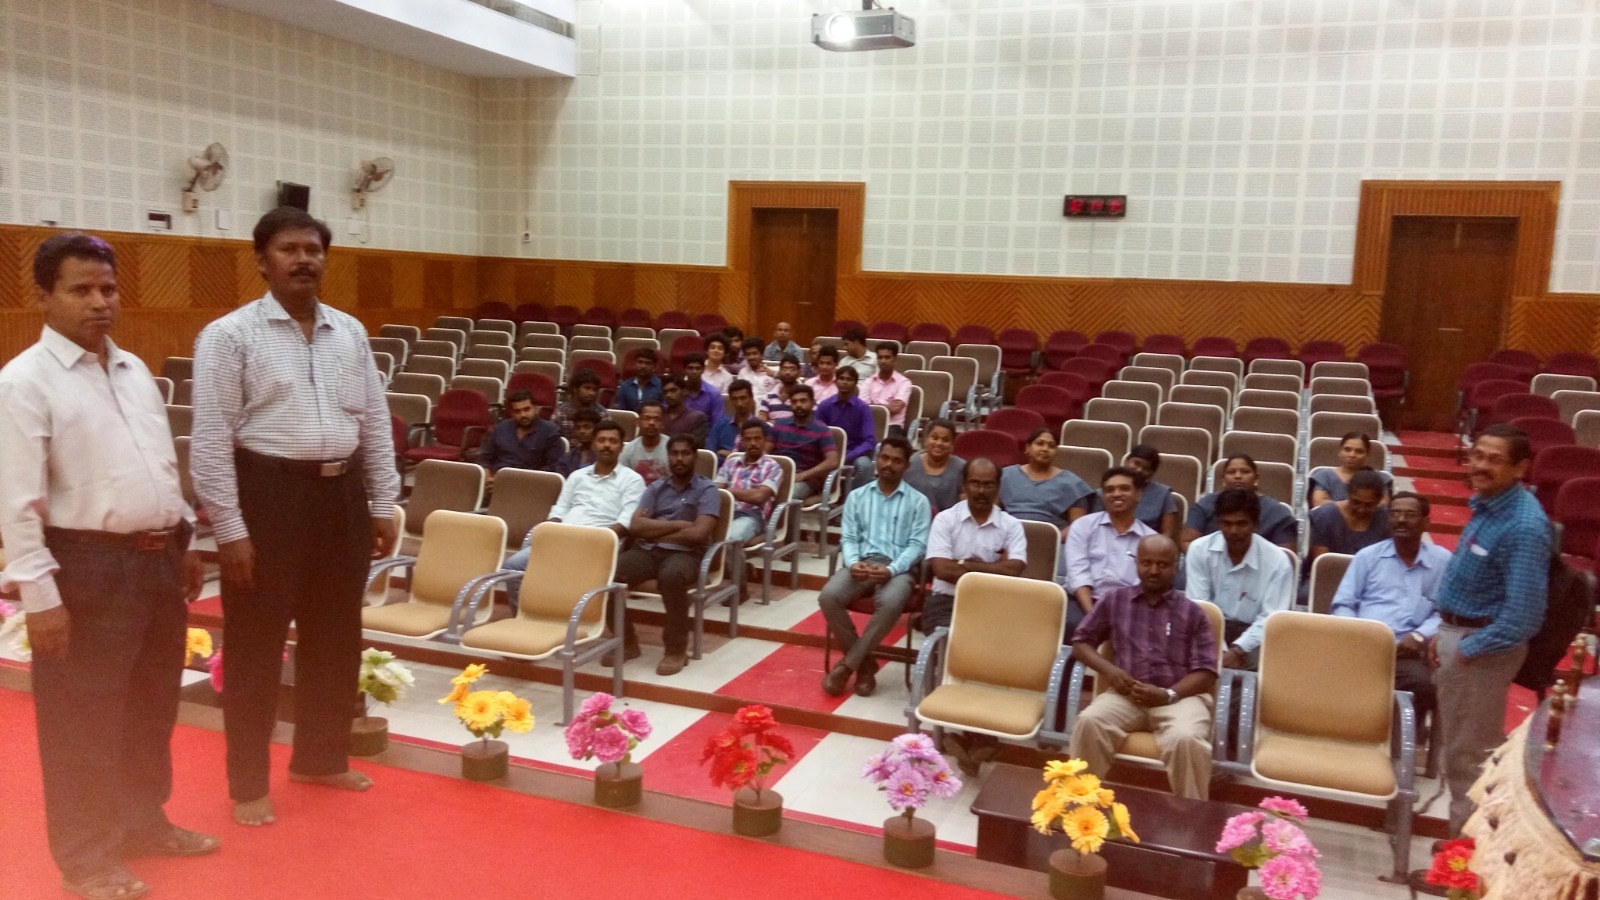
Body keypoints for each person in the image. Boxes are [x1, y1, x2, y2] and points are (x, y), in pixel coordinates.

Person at [0, 232, 217, 899]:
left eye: (108, 288)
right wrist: (41, 598)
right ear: (44, 296)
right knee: (82, 720)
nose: (100, 302)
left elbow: (160, 466)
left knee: (150, 707)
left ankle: (143, 821)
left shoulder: (132, 371)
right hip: (85, 569)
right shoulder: (23, 383)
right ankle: (86, 857)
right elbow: (16, 503)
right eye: (81, 290)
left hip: (156, 561)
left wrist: (183, 540)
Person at [192, 207, 401, 827]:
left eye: (313, 249)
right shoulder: (228, 336)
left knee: (336, 639)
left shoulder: (350, 332)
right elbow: (211, 443)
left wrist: (382, 501)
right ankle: (248, 784)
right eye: (289, 249)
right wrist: (230, 530)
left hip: (342, 498)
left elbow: (374, 422)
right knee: (256, 648)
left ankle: (319, 758)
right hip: (268, 498)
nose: (304, 259)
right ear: (262, 261)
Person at [1428, 424, 1550, 838]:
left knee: (1470, 758)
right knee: (1461, 750)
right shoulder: (1489, 505)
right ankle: (1464, 847)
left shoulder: (1523, 527)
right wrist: (1446, 632)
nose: (1480, 465)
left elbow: (1523, 617)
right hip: (1462, 636)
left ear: (1520, 468)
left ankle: (1465, 855)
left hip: (1481, 652)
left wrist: (1466, 648)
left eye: (1494, 459)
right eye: (1477, 455)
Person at [1070, 535, 1218, 800]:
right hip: (1127, 697)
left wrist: (1168, 694)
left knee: (1186, 738)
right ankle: (1081, 807)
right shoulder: (1115, 600)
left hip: (1179, 698)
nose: (1153, 570)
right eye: (1146, 563)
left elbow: (1206, 672)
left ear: (1176, 566)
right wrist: (1110, 670)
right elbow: (1081, 643)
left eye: (1162, 565)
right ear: (1136, 563)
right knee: (1089, 722)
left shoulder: (1193, 612)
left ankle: (1191, 816)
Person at [817, 437, 931, 698]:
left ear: (906, 466)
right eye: (885, 458)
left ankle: (847, 667)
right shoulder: (857, 496)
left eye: (896, 460)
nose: (889, 464)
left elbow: (917, 545)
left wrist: (892, 569)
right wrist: (853, 562)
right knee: (828, 597)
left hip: (899, 569)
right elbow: (848, 537)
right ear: (877, 460)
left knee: (891, 603)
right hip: (862, 563)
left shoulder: (918, 502)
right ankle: (865, 665)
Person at [1330, 492, 1449, 724]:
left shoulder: (1442, 561)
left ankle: (1401, 739)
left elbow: (1443, 612)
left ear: (1426, 523)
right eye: (1395, 514)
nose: (1401, 520)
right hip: (1362, 647)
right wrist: (1360, 633)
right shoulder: (1368, 557)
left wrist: (1419, 635)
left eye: (1410, 514)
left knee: (1424, 686)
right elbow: (1343, 604)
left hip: (1407, 654)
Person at [502, 420, 644, 605]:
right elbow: (560, 509)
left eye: (613, 441)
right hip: (562, 537)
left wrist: (588, 539)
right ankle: (525, 615)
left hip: (597, 544)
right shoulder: (577, 476)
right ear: (593, 444)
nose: (607, 445)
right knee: (513, 566)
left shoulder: (632, 480)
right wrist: (551, 528)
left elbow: (626, 521)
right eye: (601, 440)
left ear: (621, 447)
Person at [614, 435, 721, 676]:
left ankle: (676, 650)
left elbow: (699, 534)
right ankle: (627, 641)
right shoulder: (655, 488)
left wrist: (656, 532)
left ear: (695, 457)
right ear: (668, 457)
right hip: (649, 550)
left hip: (687, 554)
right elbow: (637, 526)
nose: (679, 458)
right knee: (609, 574)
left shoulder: (707, 490)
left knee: (672, 577)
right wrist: (680, 525)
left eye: (685, 453)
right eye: (674, 453)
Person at [1184, 488, 1293, 671]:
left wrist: (1238, 650)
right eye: (1227, 524)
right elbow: (1200, 607)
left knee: (1271, 665)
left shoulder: (1278, 561)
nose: (1233, 531)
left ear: (1255, 525)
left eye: (1241, 524)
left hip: (1256, 635)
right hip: (1207, 627)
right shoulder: (1199, 550)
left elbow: (1270, 618)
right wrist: (1220, 650)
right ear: (1218, 523)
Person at [924, 458, 1027, 632]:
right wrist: (996, 567)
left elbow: (1014, 570)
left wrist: (964, 563)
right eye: (975, 483)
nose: (981, 491)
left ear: (998, 487)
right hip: (946, 602)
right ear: (964, 485)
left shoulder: (1012, 525)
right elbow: (942, 570)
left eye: (988, 485)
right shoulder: (945, 520)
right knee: (956, 641)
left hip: (994, 604)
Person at [1064, 468, 1157, 629]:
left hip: (1129, 608)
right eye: (1109, 490)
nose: (1116, 494)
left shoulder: (1150, 540)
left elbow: (1144, 586)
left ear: (1138, 495)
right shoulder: (1082, 526)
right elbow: (1077, 573)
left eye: (1124, 488)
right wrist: (1093, 616)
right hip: (1081, 601)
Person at [1182, 454, 1298, 552]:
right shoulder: (1206, 504)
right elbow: (1187, 542)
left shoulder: (1277, 513)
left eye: (1245, 472)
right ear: (1223, 479)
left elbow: (1286, 555)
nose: (1238, 476)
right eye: (1231, 472)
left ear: (1256, 479)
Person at [1077, 445, 1179, 539]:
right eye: (1136, 463)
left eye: (1146, 468)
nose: (1139, 470)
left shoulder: (1163, 494)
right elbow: (1094, 524)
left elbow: (1167, 534)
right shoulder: (1105, 493)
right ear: (1127, 461)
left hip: (1147, 544)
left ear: (1152, 473)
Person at [1000, 429, 1093, 530]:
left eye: (1051, 446)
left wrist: (1056, 537)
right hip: (1007, 534)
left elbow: (1078, 527)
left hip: (1053, 537)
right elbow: (991, 513)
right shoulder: (1005, 475)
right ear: (1027, 448)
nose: (1045, 449)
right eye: (1040, 443)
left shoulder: (1072, 483)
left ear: (1056, 452)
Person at [715, 419, 783, 546]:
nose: (753, 443)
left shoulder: (773, 467)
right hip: (724, 512)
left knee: (729, 540)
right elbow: (716, 488)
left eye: (757, 439)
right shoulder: (730, 462)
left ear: (765, 440)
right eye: (748, 439)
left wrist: (729, 492)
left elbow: (759, 496)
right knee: (699, 533)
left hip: (752, 516)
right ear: (742, 441)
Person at [769, 384, 839, 501]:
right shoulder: (780, 424)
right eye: (794, 401)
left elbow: (833, 461)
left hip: (806, 480)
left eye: (803, 401)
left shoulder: (822, 430)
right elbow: (765, 452)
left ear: (812, 403)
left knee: (785, 496)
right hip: (777, 475)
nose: (798, 405)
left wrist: (803, 475)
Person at [1308, 468, 1391, 561]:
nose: (1361, 509)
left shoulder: (1387, 519)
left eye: (1369, 505)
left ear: (1379, 500)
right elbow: (1322, 562)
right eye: (1356, 502)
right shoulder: (1324, 516)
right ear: (1348, 494)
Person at [816, 366, 876, 487]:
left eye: (849, 379)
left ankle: (853, 495)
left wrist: (848, 456)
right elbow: (815, 433)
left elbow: (870, 441)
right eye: (841, 378)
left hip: (854, 453)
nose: (845, 382)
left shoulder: (863, 408)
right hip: (827, 452)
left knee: (865, 465)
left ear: (855, 383)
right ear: (836, 381)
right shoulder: (825, 405)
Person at [478, 389, 561, 474]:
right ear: (512, 413)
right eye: (517, 411)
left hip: (530, 478)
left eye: (527, 409)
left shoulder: (549, 431)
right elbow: (485, 457)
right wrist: (486, 471)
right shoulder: (500, 428)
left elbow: (554, 466)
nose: (523, 415)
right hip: (497, 477)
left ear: (536, 409)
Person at [1309, 432, 1392, 507]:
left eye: (1359, 451)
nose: (1352, 455)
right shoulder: (1324, 476)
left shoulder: (1379, 478)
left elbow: (1382, 506)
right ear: (1340, 451)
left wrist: (1334, 504)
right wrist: (1362, 504)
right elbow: (1319, 504)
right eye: (1347, 450)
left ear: (1367, 454)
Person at [904, 419, 967, 514]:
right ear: (926, 439)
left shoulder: (961, 468)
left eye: (945, 440)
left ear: (952, 444)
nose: (939, 443)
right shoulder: (910, 464)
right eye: (934, 437)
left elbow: (964, 508)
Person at [861, 343, 912, 432]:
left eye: (887, 357)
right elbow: (862, 408)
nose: (883, 361)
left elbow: (896, 408)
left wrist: (873, 405)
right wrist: (888, 406)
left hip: (893, 426)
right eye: (880, 357)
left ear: (895, 360)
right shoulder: (868, 382)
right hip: (871, 424)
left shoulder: (904, 383)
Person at [710, 378, 763, 460]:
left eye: (743, 398)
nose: (739, 403)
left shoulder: (761, 427)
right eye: (735, 399)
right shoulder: (720, 425)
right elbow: (710, 454)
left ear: (751, 398)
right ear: (731, 400)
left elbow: (761, 458)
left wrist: (730, 455)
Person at [619, 399, 670, 484]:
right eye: (647, 418)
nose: (651, 423)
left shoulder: (672, 447)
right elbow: (622, 480)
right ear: (638, 422)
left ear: (663, 423)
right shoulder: (628, 450)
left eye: (656, 419)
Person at [554, 369, 606, 440]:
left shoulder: (602, 413)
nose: (592, 393)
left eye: (595, 389)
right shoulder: (560, 413)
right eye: (587, 388)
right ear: (575, 389)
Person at [659, 376, 709, 448]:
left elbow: (695, 446)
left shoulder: (697, 418)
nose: (668, 395)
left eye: (673, 390)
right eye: (665, 392)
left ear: (684, 391)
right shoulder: (659, 416)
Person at [679, 353, 724, 426]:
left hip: (706, 432)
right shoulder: (677, 392)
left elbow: (717, 424)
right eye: (690, 368)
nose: (694, 372)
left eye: (698, 368)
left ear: (703, 370)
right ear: (684, 370)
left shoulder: (714, 394)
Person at [614, 346, 662, 413]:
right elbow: (621, 411)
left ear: (654, 367)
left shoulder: (661, 386)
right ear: (635, 364)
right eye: (640, 362)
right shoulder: (625, 387)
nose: (643, 366)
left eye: (648, 363)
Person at [558, 407, 601, 476]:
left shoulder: (603, 456)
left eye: (587, 427)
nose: (581, 431)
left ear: (597, 428)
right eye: (577, 428)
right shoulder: (567, 457)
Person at [765, 353, 803, 422]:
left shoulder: (805, 397)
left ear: (799, 372)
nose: (787, 372)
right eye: (784, 368)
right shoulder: (768, 396)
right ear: (779, 371)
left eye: (792, 369)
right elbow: (762, 418)